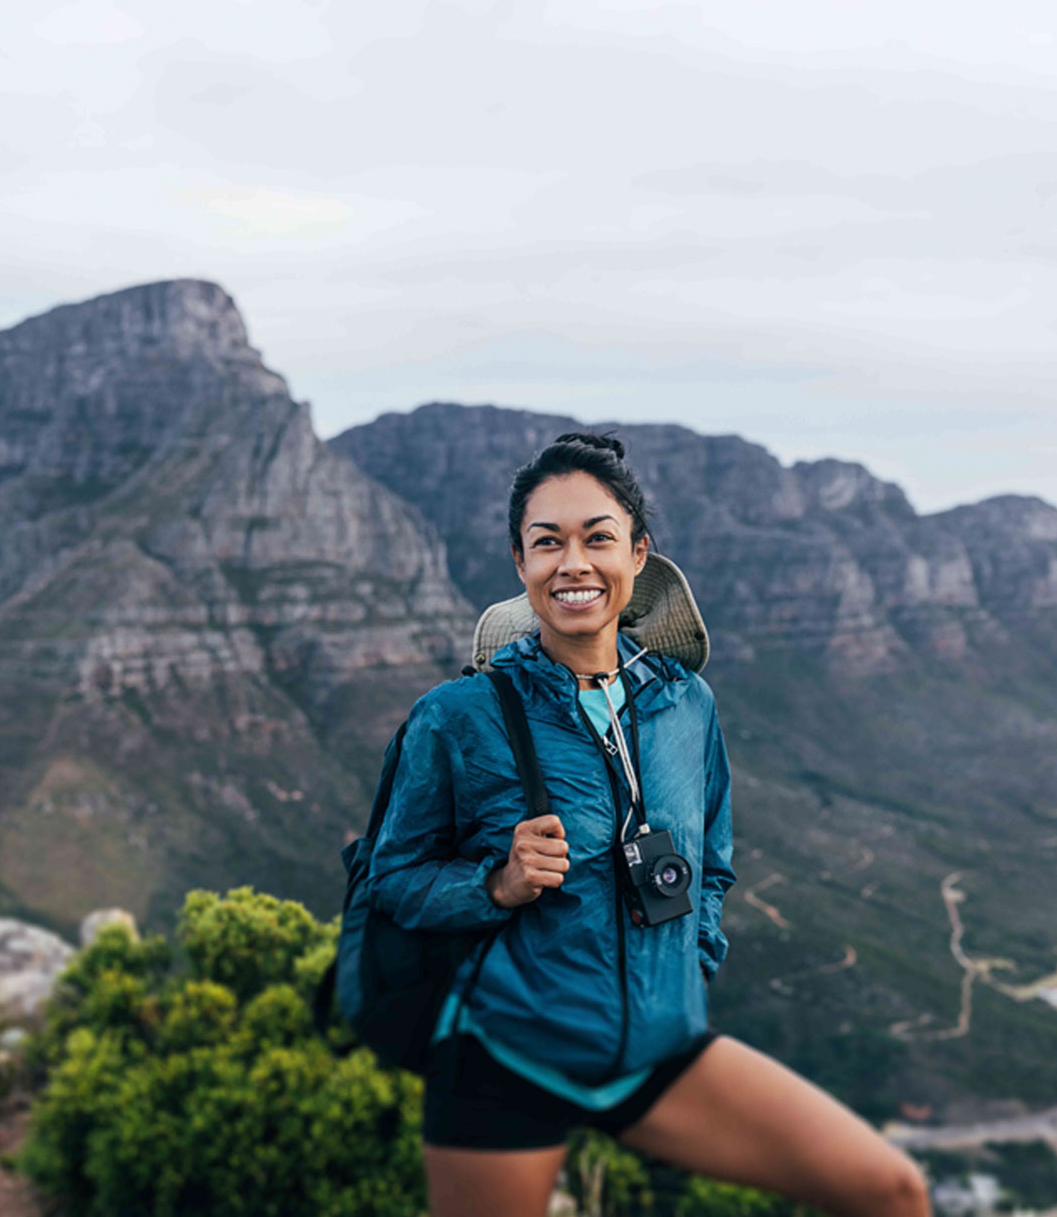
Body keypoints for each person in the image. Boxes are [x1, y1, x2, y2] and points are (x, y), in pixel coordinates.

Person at [366, 431, 930, 1217]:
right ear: (520, 563)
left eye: (598, 538)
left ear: (638, 555)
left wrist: (686, 968)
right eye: (547, 543)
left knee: (891, 1190)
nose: (574, 564)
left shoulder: (687, 705)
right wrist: (495, 884)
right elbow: (393, 880)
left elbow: (713, 865)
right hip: (508, 1053)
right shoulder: (458, 716)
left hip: (658, 1048)